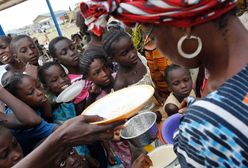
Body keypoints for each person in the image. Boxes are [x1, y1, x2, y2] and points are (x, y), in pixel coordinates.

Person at [80, 0, 248, 167]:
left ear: (183, 29)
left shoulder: (200, 130)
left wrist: (199, 115)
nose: (157, 45)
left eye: (152, 36)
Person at [80, 49, 132, 168]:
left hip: (134, 127)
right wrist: (108, 151)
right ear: (88, 77)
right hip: (117, 141)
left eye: (105, 68)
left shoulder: (120, 78)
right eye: (97, 72)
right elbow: (99, 127)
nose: (104, 73)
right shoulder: (96, 98)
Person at [4, 73, 56, 155]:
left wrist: (44, 101)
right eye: (31, 92)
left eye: (38, 86)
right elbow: (58, 130)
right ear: (18, 100)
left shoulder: (34, 102)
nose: (39, 92)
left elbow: (48, 116)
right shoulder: (23, 119)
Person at [48, 36, 90, 113]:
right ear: (57, 60)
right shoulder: (68, 83)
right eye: (64, 53)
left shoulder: (90, 66)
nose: (72, 53)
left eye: (72, 48)